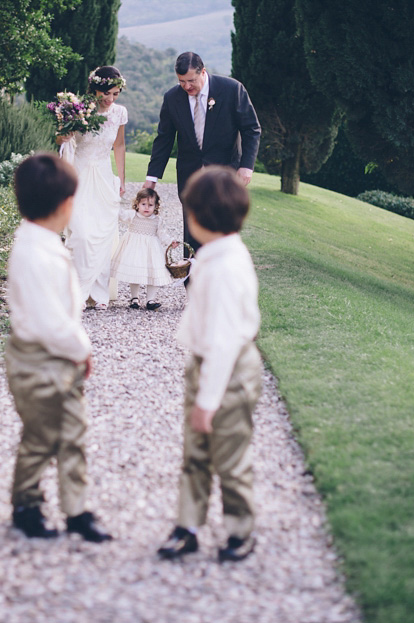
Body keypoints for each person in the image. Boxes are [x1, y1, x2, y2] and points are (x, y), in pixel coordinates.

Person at [5, 153, 113, 543]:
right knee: (41, 435)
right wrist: (82, 348)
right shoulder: (34, 253)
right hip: (38, 360)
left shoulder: (43, 243)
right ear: (65, 205)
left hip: (59, 357)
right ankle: (26, 503)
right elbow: (50, 322)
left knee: (73, 433)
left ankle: (77, 508)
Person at [157, 166, 262, 563]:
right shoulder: (218, 254)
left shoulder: (223, 268)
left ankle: (240, 529)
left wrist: (207, 402)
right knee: (194, 452)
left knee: (229, 456)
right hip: (209, 363)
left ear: (199, 219)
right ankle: (188, 526)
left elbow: (223, 342)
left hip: (229, 371)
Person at [144, 52, 261, 256]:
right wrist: (152, 178)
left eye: (191, 81)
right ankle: (192, 280)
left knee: (221, 231)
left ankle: (222, 279)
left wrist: (246, 166)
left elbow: (251, 129)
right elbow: (164, 138)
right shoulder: (172, 98)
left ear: (203, 72)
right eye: (182, 82)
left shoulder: (232, 89)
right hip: (190, 175)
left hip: (225, 174)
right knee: (192, 232)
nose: (187, 87)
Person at [59, 65, 128, 309]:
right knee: (82, 233)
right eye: (106, 93)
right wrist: (64, 134)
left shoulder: (119, 113)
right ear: (95, 89)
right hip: (78, 175)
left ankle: (97, 294)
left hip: (103, 175)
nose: (110, 99)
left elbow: (119, 146)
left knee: (103, 234)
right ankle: (76, 290)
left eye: (115, 94)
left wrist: (120, 178)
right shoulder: (79, 111)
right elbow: (59, 138)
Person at [110, 187, 180, 311]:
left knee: (153, 272)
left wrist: (170, 241)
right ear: (137, 204)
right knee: (135, 272)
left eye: (150, 205)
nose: (146, 208)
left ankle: (150, 299)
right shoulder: (132, 215)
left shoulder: (157, 220)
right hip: (134, 249)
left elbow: (162, 234)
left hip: (151, 251)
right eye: (143, 204)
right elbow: (120, 214)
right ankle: (134, 298)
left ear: (156, 206)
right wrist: (116, 199)